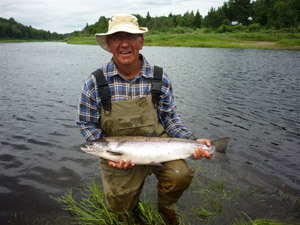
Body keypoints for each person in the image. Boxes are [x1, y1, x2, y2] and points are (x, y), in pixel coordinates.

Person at [77, 14, 211, 224]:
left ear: (141, 42)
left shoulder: (160, 77)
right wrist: (108, 152)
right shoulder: (94, 82)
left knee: (180, 175)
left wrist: (193, 140)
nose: (124, 43)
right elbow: (86, 123)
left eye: (130, 36)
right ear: (109, 45)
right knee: (120, 213)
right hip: (119, 158)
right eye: (117, 37)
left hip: (160, 147)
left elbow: (170, 119)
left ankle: (165, 205)